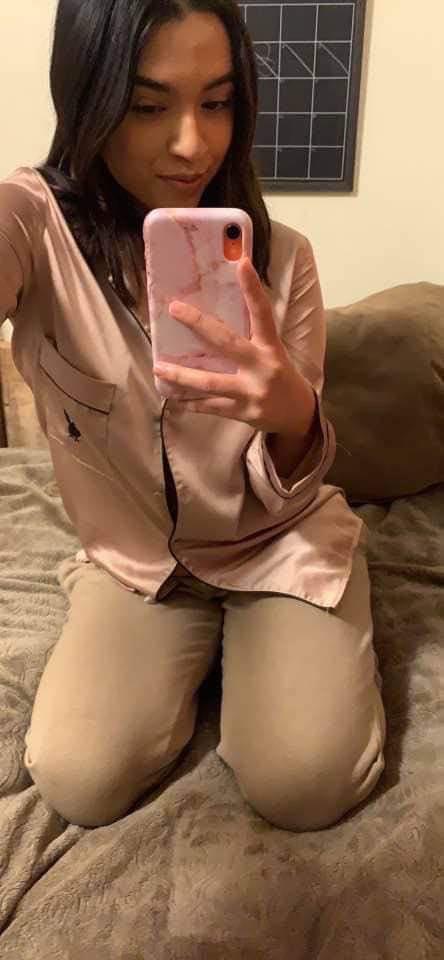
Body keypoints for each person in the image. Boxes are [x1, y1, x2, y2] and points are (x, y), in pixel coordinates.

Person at [0, 0, 386, 832]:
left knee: (307, 784)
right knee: (78, 778)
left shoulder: (285, 262)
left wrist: (291, 413)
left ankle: (277, 637)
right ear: (90, 98)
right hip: (136, 561)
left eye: (216, 102)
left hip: (276, 543)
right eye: (148, 106)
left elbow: (291, 477)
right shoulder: (34, 227)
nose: (191, 144)